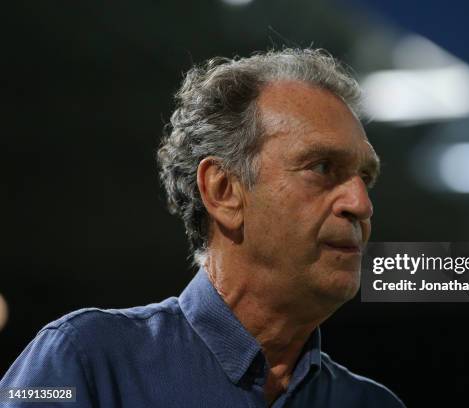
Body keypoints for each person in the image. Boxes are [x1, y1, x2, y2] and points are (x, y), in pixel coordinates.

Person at [0, 48, 405, 407]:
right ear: (223, 190)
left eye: (365, 178)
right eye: (322, 168)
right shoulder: (85, 360)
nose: (361, 205)